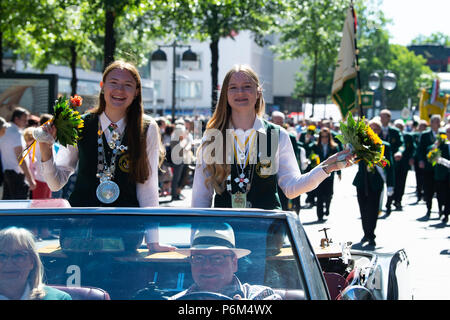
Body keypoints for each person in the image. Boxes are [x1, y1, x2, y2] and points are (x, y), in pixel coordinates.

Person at [38, 60, 171, 252]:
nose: (120, 90)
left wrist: (153, 242)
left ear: (136, 92)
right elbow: (56, 183)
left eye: (128, 85)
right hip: (78, 230)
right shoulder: (80, 123)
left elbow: (147, 186)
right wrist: (45, 150)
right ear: (102, 87)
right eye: (113, 82)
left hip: (124, 232)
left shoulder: (146, 128)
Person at [191, 65, 354, 210]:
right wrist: (196, 240)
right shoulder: (213, 138)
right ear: (225, 94)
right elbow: (200, 197)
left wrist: (328, 166)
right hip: (224, 231)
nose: (240, 92)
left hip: (266, 231)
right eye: (233, 87)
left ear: (258, 91)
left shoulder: (276, 135)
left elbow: (292, 188)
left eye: (247, 86)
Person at [171, 223, 281, 300]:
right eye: (199, 258)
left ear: (234, 262)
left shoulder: (262, 296)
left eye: (217, 258)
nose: (207, 266)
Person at [352, 118, 394, 248]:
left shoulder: (384, 145)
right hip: (361, 182)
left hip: (376, 183)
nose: (374, 130)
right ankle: (366, 232)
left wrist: (379, 160)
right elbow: (353, 158)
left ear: (380, 131)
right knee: (363, 209)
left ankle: (371, 234)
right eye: (372, 128)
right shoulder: (361, 144)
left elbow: (388, 164)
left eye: (376, 129)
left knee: (373, 209)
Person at [0, 226, 71, 300]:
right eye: (2, 255)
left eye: (18, 255)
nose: (9, 263)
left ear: (32, 262)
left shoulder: (59, 298)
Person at [270, 111, 305, 214]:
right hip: (269, 174)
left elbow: (293, 156)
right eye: (277, 122)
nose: (279, 125)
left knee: (286, 201)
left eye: (281, 122)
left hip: (284, 173)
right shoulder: (266, 133)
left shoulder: (289, 136)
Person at [0, 107, 36, 199]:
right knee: (21, 207)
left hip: (7, 173)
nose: (26, 123)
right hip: (17, 176)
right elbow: (20, 158)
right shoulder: (16, 133)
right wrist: (30, 179)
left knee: (8, 206)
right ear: (16, 119)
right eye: (24, 120)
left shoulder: (6, 131)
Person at [312, 127, 341, 222]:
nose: (324, 138)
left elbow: (338, 161)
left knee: (328, 194)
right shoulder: (315, 146)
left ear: (329, 137)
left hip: (330, 175)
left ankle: (327, 208)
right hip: (318, 174)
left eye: (326, 136)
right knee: (319, 195)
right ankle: (319, 215)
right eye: (322, 136)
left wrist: (339, 173)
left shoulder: (334, 147)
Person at [379, 109, 404, 215]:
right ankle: (378, 204)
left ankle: (389, 203)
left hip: (391, 162)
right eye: (381, 116)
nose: (382, 118)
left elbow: (401, 144)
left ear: (389, 118)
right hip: (378, 162)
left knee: (391, 182)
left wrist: (399, 152)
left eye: (384, 116)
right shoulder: (376, 130)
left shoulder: (395, 131)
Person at [417, 114, 442, 218]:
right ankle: (429, 208)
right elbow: (420, 149)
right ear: (431, 123)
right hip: (428, 166)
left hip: (440, 167)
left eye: (438, 121)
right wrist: (421, 160)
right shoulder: (425, 135)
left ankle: (441, 209)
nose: (437, 123)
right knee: (428, 188)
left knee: (441, 189)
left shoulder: (443, 134)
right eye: (435, 121)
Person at [392, 119, 416, 210]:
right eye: (397, 127)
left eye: (400, 127)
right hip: (393, 163)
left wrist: (411, 158)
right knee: (393, 182)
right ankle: (392, 199)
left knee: (401, 182)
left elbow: (413, 148)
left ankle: (399, 200)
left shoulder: (408, 136)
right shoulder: (392, 135)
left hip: (404, 164)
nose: (398, 129)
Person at [412, 120, 428, 203]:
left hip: (426, 159)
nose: (422, 128)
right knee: (418, 177)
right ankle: (419, 193)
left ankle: (425, 193)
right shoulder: (415, 135)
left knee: (425, 177)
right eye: (421, 126)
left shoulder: (428, 135)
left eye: (424, 126)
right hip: (417, 159)